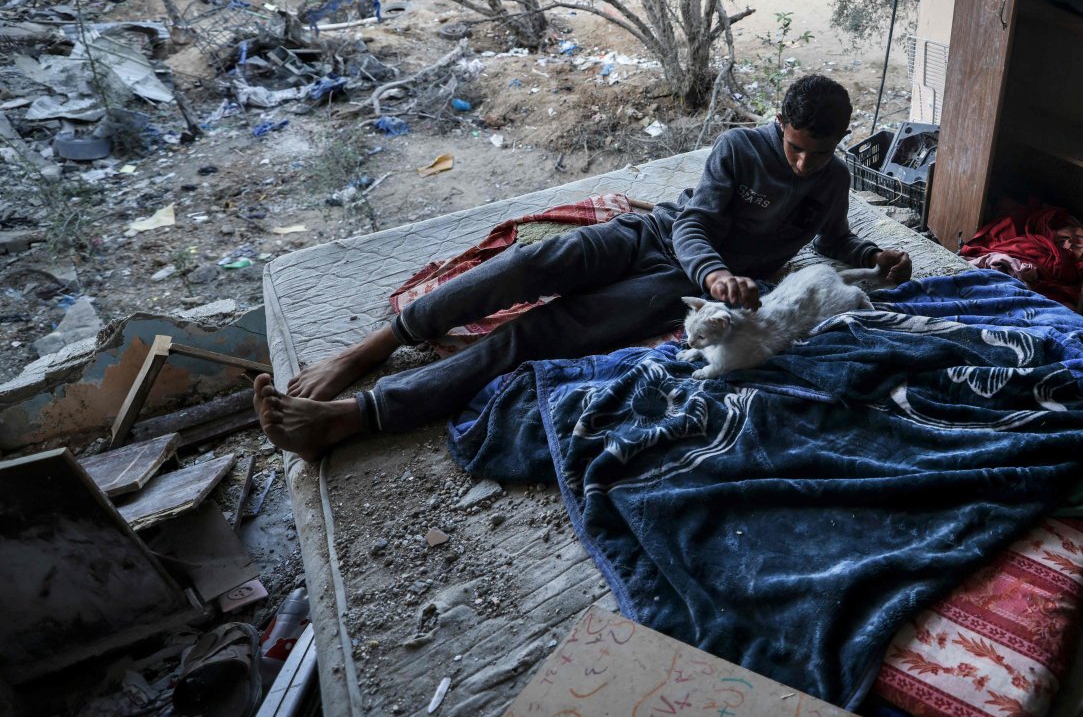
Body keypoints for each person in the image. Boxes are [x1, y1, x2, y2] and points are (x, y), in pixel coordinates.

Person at [255, 75, 912, 460]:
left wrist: (874, 260)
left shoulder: (832, 179)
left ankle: (361, 413)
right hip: (654, 237)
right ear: (779, 126)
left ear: (838, 143)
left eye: (817, 154)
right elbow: (689, 222)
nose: (803, 166)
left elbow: (833, 241)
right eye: (795, 150)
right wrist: (716, 272)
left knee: (534, 334)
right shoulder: (739, 148)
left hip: (671, 291)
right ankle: (371, 346)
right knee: (529, 264)